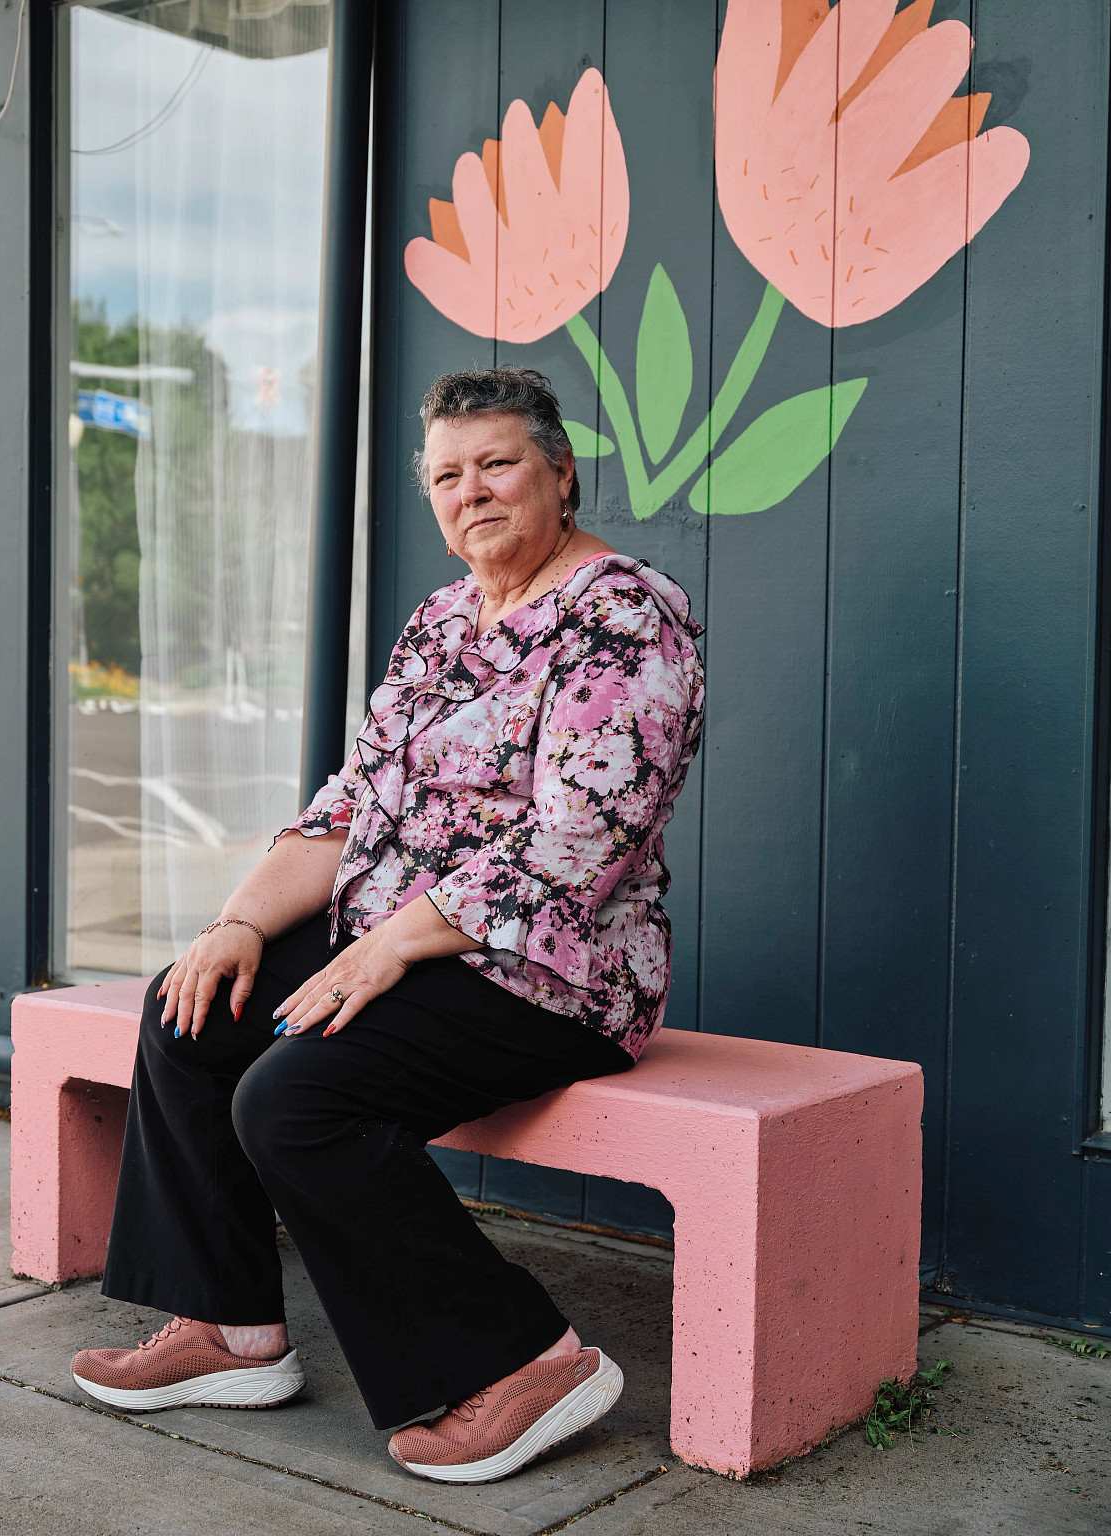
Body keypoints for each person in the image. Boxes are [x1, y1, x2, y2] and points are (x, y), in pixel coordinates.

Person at [71, 366, 706, 1485]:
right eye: (447, 476)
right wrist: (237, 921)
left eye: (498, 464)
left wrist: (390, 943)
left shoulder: (622, 617)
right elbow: (353, 801)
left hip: (552, 973)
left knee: (294, 1096)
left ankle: (524, 1361)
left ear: (561, 475)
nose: (472, 492)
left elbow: (579, 838)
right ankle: (229, 1331)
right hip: (399, 944)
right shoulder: (442, 620)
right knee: (192, 1008)